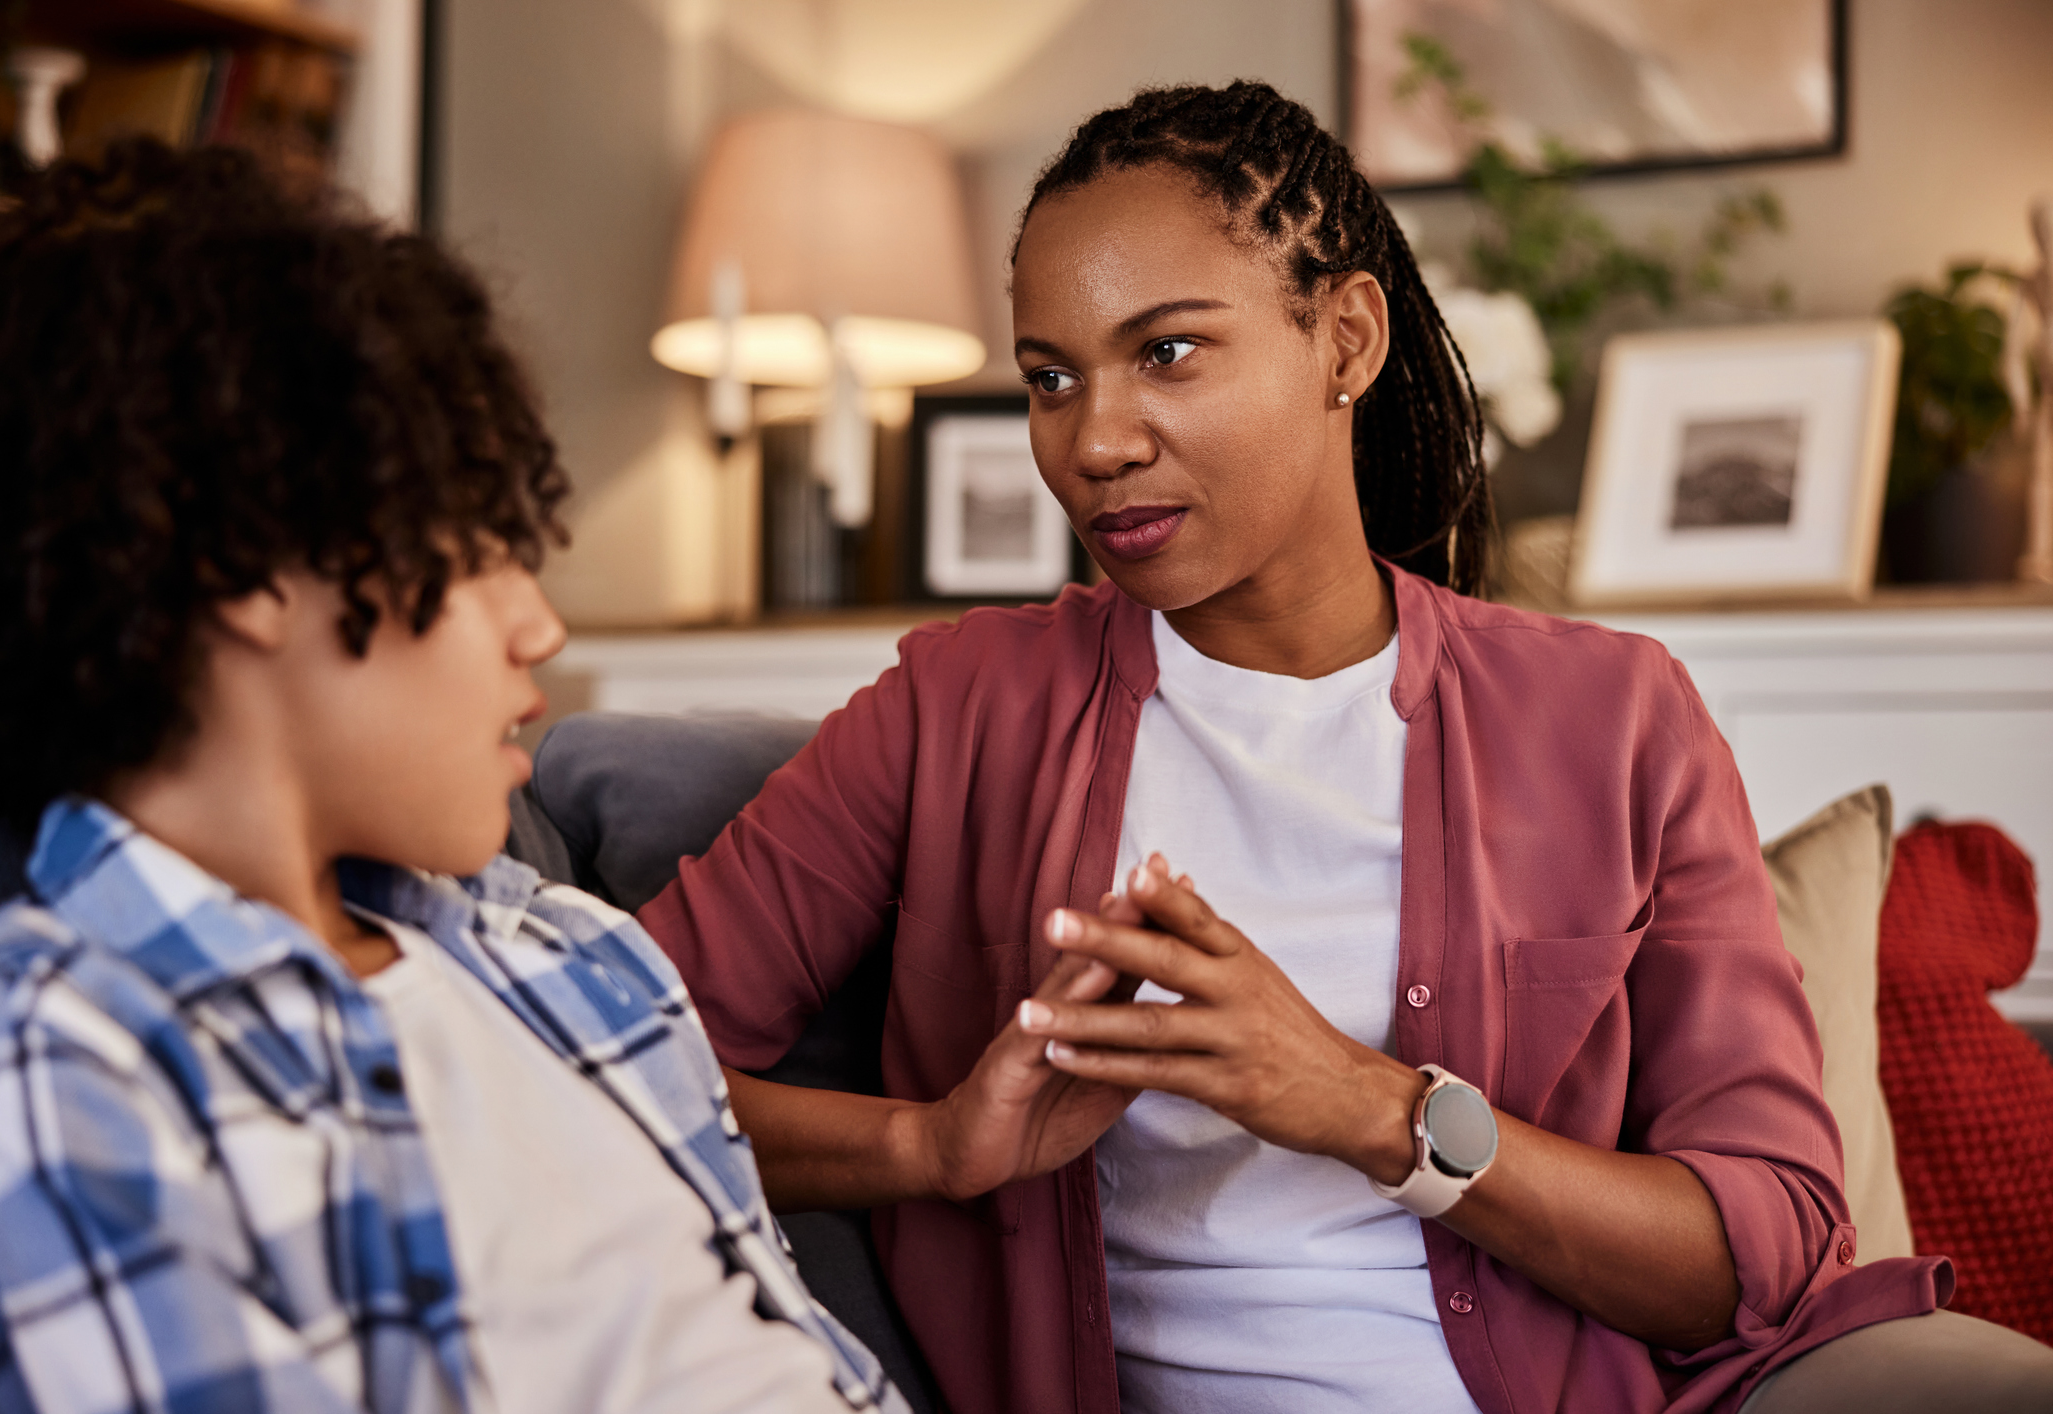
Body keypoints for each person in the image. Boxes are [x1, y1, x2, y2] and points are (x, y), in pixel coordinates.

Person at [637, 82, 2053, 1413]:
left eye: (1168, 351)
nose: (1093, 441)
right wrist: (932, 1148)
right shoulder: (959, 707)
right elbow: (607, 1055)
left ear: (1347, 341)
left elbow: (1771, 1241)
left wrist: (1373, 1106)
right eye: (1051, 378)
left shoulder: (1616, 719)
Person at [0, 142, 904, 1414]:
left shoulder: (564, 954)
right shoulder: (58, 1081)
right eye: (483, 549)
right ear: (251, 571)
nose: (540, 627)